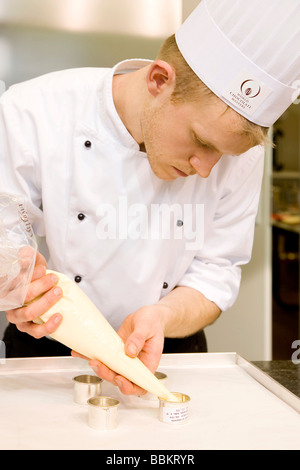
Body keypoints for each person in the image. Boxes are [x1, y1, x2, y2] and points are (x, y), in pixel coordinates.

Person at [0, 0, 299, 396]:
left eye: (224, 155)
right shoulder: (32, 112)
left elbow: (217, 269)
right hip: (48, 350)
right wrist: (19, 286)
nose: (207, 169)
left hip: (169, 353)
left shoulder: (245, 156)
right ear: (159, 80)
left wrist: (162, 315)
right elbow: (6, 233)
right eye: (201, 141)